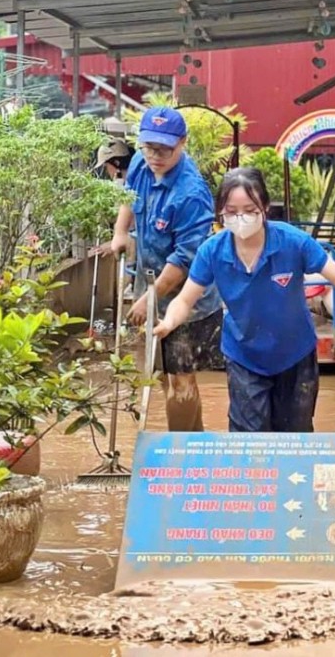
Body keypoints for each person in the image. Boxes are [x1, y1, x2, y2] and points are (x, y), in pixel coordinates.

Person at [154, 167, 335, 433]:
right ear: (220, 213)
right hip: (244, 356)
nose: (241, 218)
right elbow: (185, 300)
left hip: (295, 355)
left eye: (249, 210)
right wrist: (168, 322)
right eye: (232, 211)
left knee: (295, 436)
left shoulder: (293, 241)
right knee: (249, 440)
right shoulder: (212, 251)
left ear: (265, 207)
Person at [109, 106, 223, 433]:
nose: (155, 156)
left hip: (188, 301)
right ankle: (179, 439)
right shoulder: (141, 164)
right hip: (150, 284)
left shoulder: (191, 194)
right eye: (149, 148)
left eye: (164, 149)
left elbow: (185, 260)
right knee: (159, 372)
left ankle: (189, 454)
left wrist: (150, 298)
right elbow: (129, 197)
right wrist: (120, 232)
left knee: (182, 378)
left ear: (183, 143)